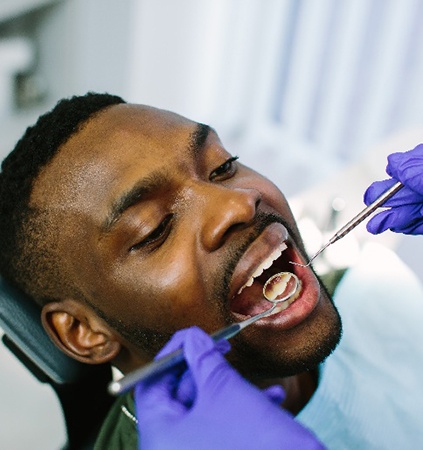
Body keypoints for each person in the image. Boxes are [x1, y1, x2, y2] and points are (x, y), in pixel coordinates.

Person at [0, 92, 421, 449]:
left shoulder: (374, 290)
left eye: (223, 166)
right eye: (155, 229)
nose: (238, 203)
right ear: (83, 330)